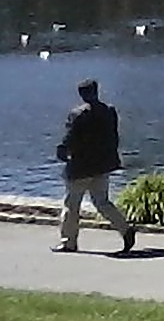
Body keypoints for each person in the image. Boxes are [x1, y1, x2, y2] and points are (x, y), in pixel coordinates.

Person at [54, 79, 136, 255]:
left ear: (82, 94)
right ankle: (125, 229)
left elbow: (69, 138)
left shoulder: (77, 114)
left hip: (81, 166)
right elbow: (114, 137)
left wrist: (62, 151)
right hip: (102, 165)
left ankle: (68, 242)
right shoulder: (109, 111)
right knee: (102, 201)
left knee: (72, 204)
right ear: (96, 91)